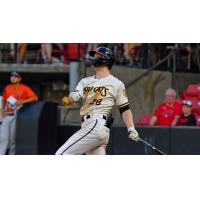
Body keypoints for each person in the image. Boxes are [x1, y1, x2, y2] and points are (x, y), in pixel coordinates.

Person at [56, 47, 140, 155]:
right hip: (88, 126)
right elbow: (73, 98)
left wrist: (131, 128)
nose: (93, 57)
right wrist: (72, 98)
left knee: (61, 154)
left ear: (105, 59)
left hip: (97, 124)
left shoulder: (116, 83)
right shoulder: (85, 81)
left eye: (96, 55)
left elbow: (124, 109)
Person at [0, 71, 38, 155]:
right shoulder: (8, 87)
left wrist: (23, 101)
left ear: (19, 79)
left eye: (15, 76)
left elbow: (35, 98)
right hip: (6, 115)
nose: (13, 78)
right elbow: (3, 98)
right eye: (12, 76)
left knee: (13, 139)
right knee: (3, 138)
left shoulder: (24, 88)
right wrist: (2, 108)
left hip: (16, 115)